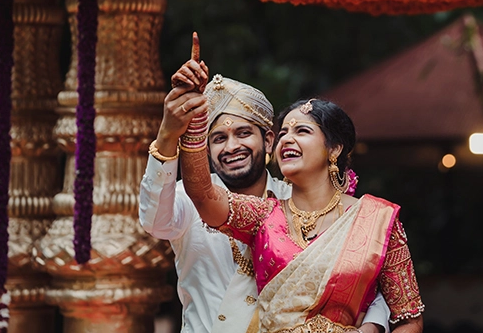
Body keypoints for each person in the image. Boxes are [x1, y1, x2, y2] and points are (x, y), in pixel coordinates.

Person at [175, 60, 425, 333]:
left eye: (302, 131)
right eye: (282, 133)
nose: (286, 140)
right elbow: (202, 195)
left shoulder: (376, 221)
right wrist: (194, 121)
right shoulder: (263, 215)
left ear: (334, 149)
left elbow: (408, 318)